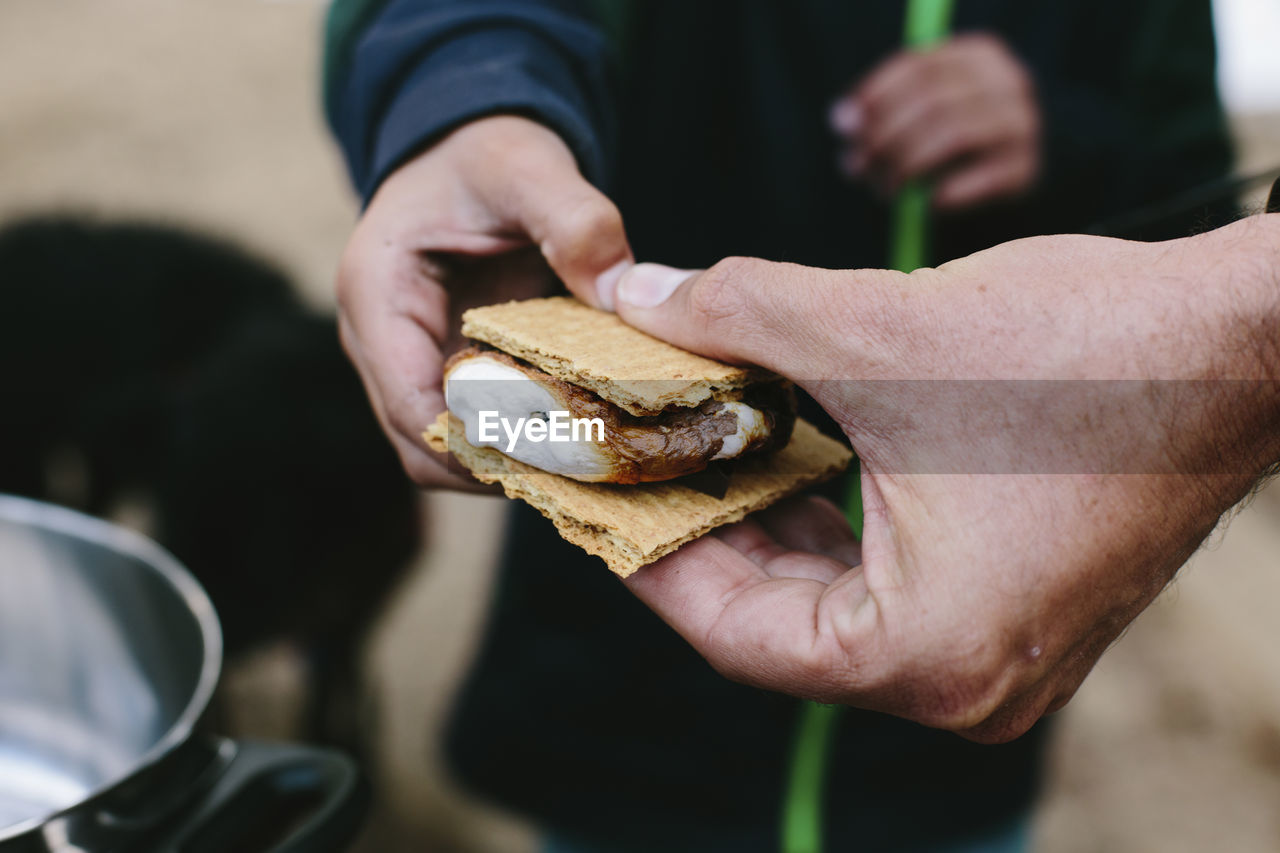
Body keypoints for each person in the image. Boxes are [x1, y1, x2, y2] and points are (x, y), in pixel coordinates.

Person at [324, 1, 1233, 849]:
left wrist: (1068, 134)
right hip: (627, 676)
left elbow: (1210, 214)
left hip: (950, 749)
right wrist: (467, 100)